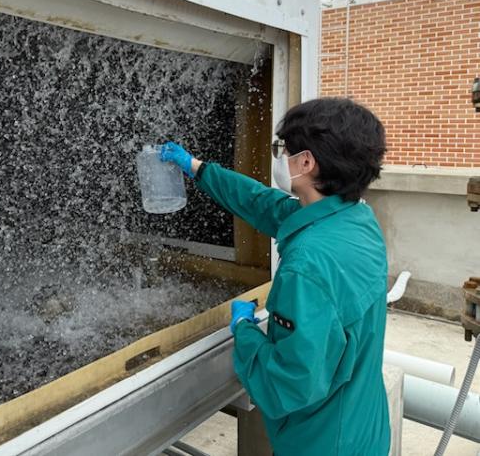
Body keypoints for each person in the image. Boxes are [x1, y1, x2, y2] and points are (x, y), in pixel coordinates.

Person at [161, 97, 390, 456]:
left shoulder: (307, 264)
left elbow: (288, 383)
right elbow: (260, 203)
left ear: (306, 162)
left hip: (321, 444)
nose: (280, 158)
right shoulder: (355, 221)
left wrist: (245, 332)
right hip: (364, 426)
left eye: (283, 150)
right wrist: (197, 168)